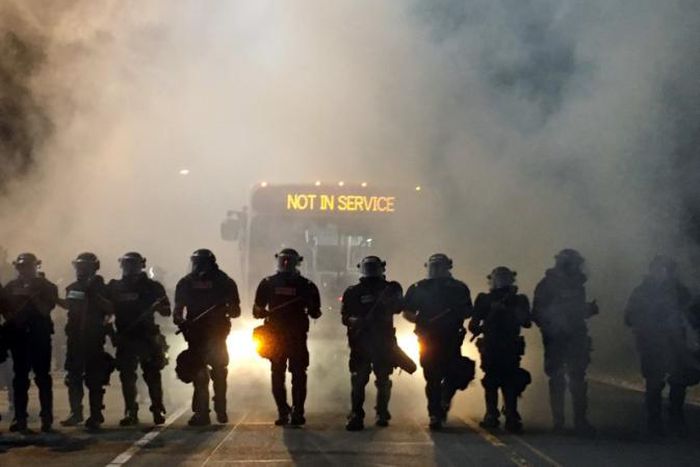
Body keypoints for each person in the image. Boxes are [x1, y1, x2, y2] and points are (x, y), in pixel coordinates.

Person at [624, 256, 698, 436]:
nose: (664, 273)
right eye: (660, 269)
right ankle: (654, 421)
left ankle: (676, 419)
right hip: (652, 343)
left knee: (679, 382)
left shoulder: (681, 292)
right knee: (655, 383)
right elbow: (629, 318)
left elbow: (693, 316)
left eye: (667, 269)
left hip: (676, 343)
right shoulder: (642, 292)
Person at [403, 253, 473, 430]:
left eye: (439, 266)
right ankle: (434, 414)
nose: (435, 269)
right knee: (432, 378)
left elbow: (468, 311)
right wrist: (419, 320)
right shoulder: (418, 288)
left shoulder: (458, 288)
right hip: (428, 339)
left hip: (450, 338)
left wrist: (456, 312)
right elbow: (407, 312)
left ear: (447, 267)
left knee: (454, 374)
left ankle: (444, 400)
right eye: (433, 266)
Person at [533, 249, 598, 435]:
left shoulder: (578, 285)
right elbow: (537, 312)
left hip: (575, 336)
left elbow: (576, 311)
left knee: (577, 378)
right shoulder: (547, 285)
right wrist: (551, 325)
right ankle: (559, 422)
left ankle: (579, 421)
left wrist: (587, 310)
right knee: (557, 379)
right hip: (556, 338)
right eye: (574, 264)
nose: (578, 267)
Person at [253, 248, 321, 426]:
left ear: (296, 262)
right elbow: (257, 310)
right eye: (283, 260)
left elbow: (315, 312)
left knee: (295, 374)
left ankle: (296, 411)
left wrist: (310, 305)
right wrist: (261, 312)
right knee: (280, 374)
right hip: (276, 336)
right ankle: (284, 411)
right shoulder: (268, 283)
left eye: (288, 261)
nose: (285, 264)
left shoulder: (306, 286)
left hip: (296, 336)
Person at [174, 249, 240, 426]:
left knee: (212, 372)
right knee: (205, 373)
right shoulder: (188, 283)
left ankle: (215, 409)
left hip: (215, 335)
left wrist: (223, 307)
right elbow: (177, 312)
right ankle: (207, 411)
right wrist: (182, 322)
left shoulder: (222, 282)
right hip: (197, 335)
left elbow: (235, 311)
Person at [108, 252, 171, 426]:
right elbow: (105, 311)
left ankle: (157, 408)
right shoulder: (115, 287)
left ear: (141, 265)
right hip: (125, 336)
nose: (130, 268)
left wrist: (157, 307)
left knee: (152, 374)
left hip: (147, 336)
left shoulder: (153, 287)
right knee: (127, 376)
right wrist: (112, 334)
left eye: (133, 264)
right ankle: (131, 410)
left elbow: (167, 311)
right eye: (127, 264)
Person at [341, 256, 403, 431]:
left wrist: (388, 303)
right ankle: (356, 413)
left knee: (383, 379)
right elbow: (345, 316)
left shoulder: (390, 288)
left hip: (383, 341)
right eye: (368, 267)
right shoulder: (353, 291)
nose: (370, 271)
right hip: (360, 342)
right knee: (358, 379)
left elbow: (399, 307)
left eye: (373, 267)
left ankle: (382, 412)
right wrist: (356, 321)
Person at [469, 267, 531, 433]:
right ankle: (491, 413)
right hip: (491, 345)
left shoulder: (519, 300)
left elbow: (527, 322)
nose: (502, 281)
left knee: (511, 380)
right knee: (491, 381)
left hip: (510, 345)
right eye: (499, 278)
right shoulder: (484, 299)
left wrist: (512, 310)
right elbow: (473, 326)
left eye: (505, 278)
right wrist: (492, 312)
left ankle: (511, 413)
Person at [57, 252, 114, 430]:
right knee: (73, 377)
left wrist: (95, 296)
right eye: (79, 266)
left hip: (93, 338)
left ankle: (96, 414)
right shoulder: (72, 287)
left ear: (94, 268)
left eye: (85, 267)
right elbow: (68, 305)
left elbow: (111, 309)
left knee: (94, 379)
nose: (81, 270)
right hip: (75, 338)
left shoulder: (103, 288)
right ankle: (76, 412)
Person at [3, 253, 58, 433]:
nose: (24, 270)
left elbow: (45, 310)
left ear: (36, 266)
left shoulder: (47, 287)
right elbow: (5, 310)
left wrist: (33, 296)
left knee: (43, 378)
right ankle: (20, 418)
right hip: (19, 338)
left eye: (28, 266)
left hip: (39, 337)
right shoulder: (10, 287)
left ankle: (46, 418)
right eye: (21, 267)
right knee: (19, 379)